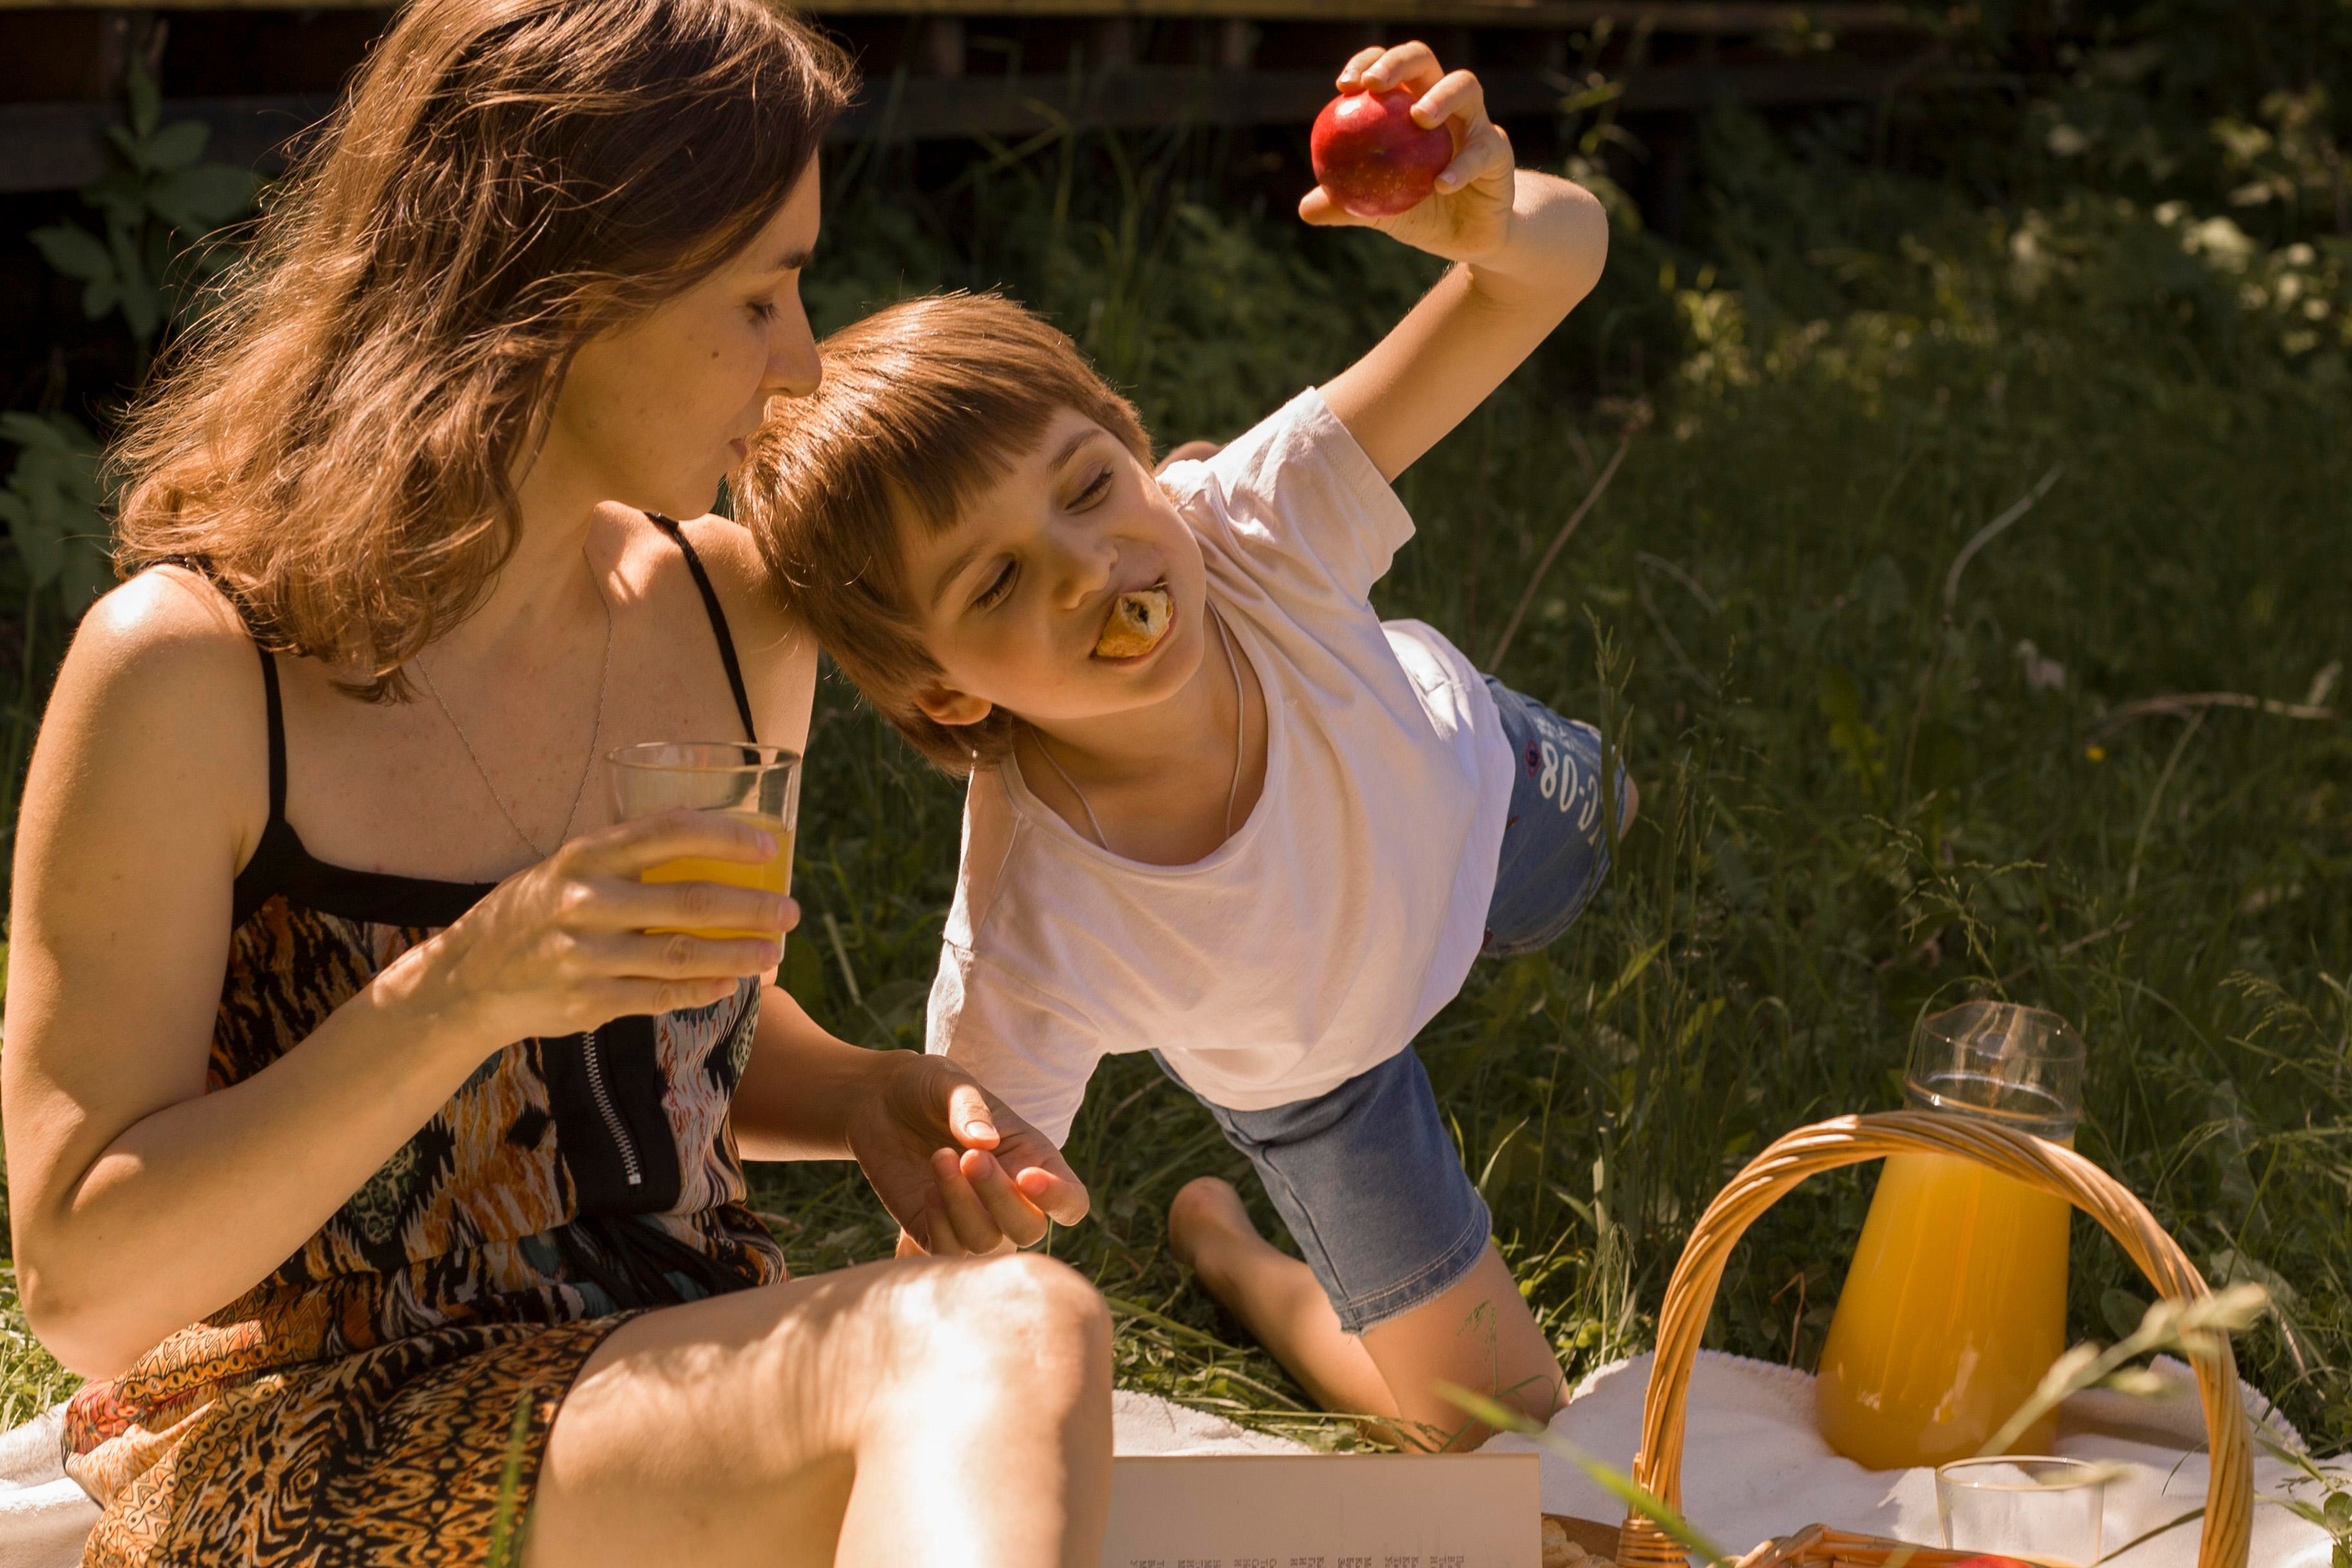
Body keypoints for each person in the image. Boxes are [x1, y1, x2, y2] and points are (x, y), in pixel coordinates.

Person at [0, 2, 1111, 1562]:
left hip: (668, 1367)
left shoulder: (734, 614)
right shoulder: (192, 673)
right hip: (316, 1420)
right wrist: (460, 992)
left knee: (998, 1330)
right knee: (995, 1337)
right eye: (760, 292)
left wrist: (859, 1090)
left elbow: (652, 1027)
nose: (798, 359)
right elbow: (84, 1281)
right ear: (564, 294)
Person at [736, 43, 1632, 1451]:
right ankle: (1242, 1264)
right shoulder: (1034, 923)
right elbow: (966, 1225)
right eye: (996, 585)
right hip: (1318, 1077)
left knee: (1605, 832)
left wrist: (1485, 221)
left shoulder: (1256, 521)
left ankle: (1555, 790)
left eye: (1092, 486)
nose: (1091, 568)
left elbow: (1560, 267)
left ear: (1138, 447)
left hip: (1478, 802)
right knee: (1498, 1439)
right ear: (951, 694)